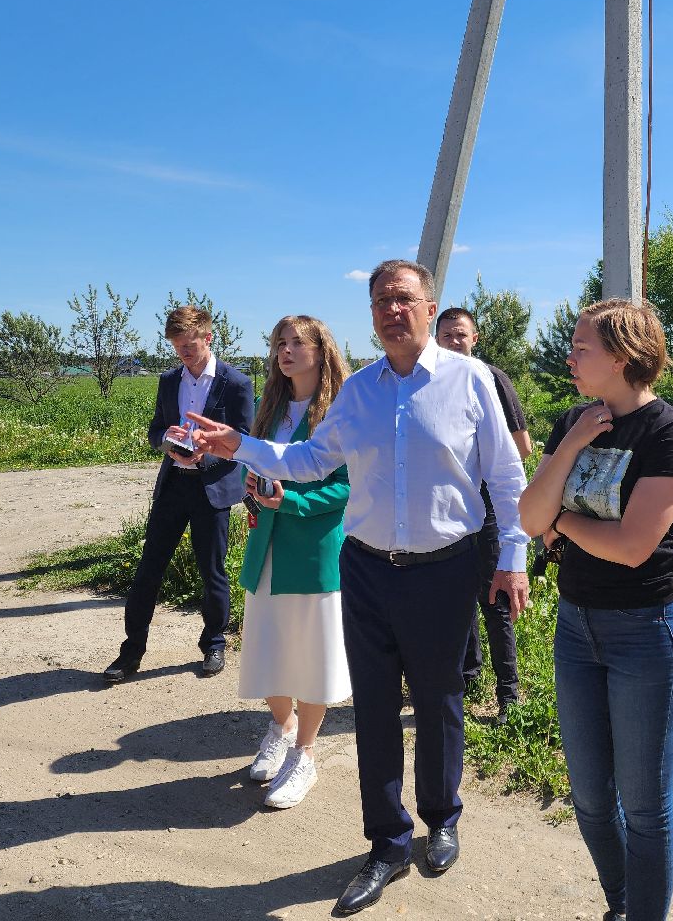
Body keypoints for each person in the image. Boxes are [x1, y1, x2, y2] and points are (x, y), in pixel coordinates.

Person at [184, 260, 529, 917]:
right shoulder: (361, 392)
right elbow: (311, 461)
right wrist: (240, 446)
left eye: (403, 298)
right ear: (370, 315)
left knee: (438, 702)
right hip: (365, 567)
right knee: (372, 709)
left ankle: (440, 816)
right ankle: (387, 841)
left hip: (444, 567)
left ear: (430, 307)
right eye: (379, 301)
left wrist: (513, 556)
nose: (391, 310)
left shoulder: (470, 380)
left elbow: (507, 480)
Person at [518, 298, 673, 921]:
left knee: (645, 804)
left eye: (581, 349)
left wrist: (561, 523)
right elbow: (525, 516)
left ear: (622, 357)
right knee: (592, 797)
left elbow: (631, 546)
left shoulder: (668, 434)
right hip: (576, 628)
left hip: (647, 634)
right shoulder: (574, 419)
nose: (569, 358)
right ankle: (622, 904)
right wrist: (570, 442)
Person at [104, 305, 254, 682]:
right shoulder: (169, 380)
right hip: (173, 487)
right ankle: (130, 652)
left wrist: (208, 453)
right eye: (177, 346)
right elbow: (155, 430)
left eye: (189, 345)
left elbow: (246, 441)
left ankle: (214, 644)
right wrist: (166, 442)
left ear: (208, 337)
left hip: (212, 490)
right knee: (147, 572)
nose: (183, 353)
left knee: (212, 572)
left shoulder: (235, 383)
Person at [238, 316, 351, 810]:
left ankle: (304, 755)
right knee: (266, 646)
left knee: (311, 654)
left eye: (296, 342)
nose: (286, 351)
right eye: (279, 343)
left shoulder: (340, 412)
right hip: (265, 544)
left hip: (312, 547)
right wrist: (253, 491)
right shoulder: (274, 408)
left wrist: (291, 503)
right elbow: (258, 464)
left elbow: (348, 485)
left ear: (321, 350)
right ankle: (280, 727)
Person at [435, 306, 532, 723]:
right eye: (448, 335)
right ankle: (468, 676)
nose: (455, 342)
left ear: (475, 339)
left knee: (494, 600)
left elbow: (522, 448)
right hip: (450, 514)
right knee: (457, 600)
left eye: (462, 335)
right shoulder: (431, 380)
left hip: (489, 511)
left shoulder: (490, 378)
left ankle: (509, 694)